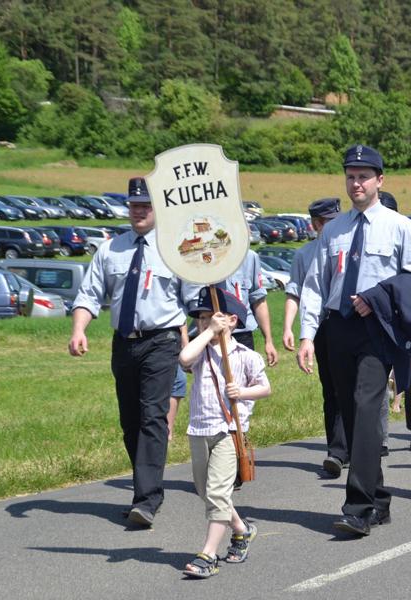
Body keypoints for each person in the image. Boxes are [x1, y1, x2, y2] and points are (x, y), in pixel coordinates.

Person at [297, 145, 411, 536]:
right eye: (350, 176)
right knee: (353, 415)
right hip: (337, 327)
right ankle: (379, 499)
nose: (356, 183)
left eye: (363, 177)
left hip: (378, 329)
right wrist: (307, 335)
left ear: (380, 180)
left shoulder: (400, 227)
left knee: (366, 405)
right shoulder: (334, 230)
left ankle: (357, 507)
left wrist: (380, 299)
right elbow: (315, 285)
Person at [68, 177, 186, 528]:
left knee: (153, 416)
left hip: (162, 341)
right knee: (131, 421)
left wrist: (199, 337)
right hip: (124, 343)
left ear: (158, 208)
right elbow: (89, 294)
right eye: (134, 205)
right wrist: (78, 330)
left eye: (146, 205)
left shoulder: (176, 249)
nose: (139, 211)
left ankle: (147, 499)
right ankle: (144, 488)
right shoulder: (111, 250)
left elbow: (195, 298)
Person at [179, 288, 270, 579]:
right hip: (199, 429)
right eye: (201, 318)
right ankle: (242, 530)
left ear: (232, 320)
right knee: (205, 491)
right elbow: (184, 358)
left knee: (218, 492)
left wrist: (241, 392)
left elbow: (265, 388)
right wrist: (207, 332)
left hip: (229, 432)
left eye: (211, 317)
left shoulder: (246, 356)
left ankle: (208, 555)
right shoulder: (201, 351)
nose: (204, 322)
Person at [282, 198, 347, 477]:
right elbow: (294, 293)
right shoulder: (304, 255)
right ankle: (336, 451)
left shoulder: (347, 247)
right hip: (320, 327)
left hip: (348, 324)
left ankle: (355, 445)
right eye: (328, 223)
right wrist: (288, 327)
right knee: (330, 389)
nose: (333, 227)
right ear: (316, 225)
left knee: (352, 387)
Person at [376, 191, 411, 452]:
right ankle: (380, 438)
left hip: (406, 320)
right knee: (377, 381)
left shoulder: (407, 237)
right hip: (378, 320)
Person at [184, 249, 278, 364]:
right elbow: (196, 305)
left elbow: (258, 299)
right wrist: (202, 341)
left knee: (243, 373)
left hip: (242, 333)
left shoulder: (249, 257)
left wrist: (268, 341)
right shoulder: (200, 256)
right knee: (211, 374)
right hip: (210, 333)